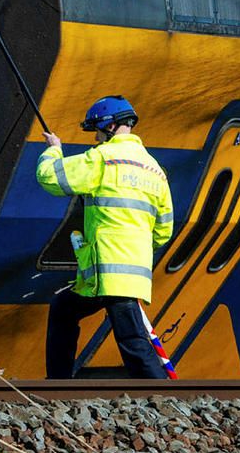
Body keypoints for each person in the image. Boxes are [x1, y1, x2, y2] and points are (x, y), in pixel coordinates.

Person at [36, 95, 175, 379]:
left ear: (110, 127)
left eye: (97, 131)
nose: (96, 138)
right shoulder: (156, 171)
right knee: (65, 309)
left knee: (132, 339)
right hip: (126, 271)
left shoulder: (103, 159)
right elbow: (164, 231)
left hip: (108, 269)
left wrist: (54, 150)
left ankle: (160, 393)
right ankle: (58, 384)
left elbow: (50, 177)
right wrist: (135, 249)